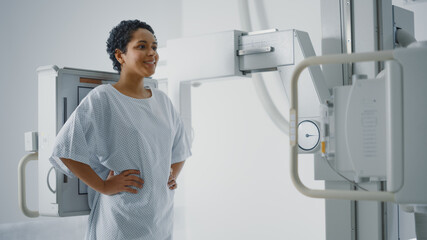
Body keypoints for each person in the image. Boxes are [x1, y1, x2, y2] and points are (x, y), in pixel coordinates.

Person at [49, 19, 192, 240]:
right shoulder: (104, 98)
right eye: (142, 46)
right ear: (120, 55)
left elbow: (180, 147)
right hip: (121, 221)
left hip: (160, 221)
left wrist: (171, 173)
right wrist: (104, 186)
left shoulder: (162, 101)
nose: (152, 53)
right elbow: (65, 148)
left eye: (154, 46)